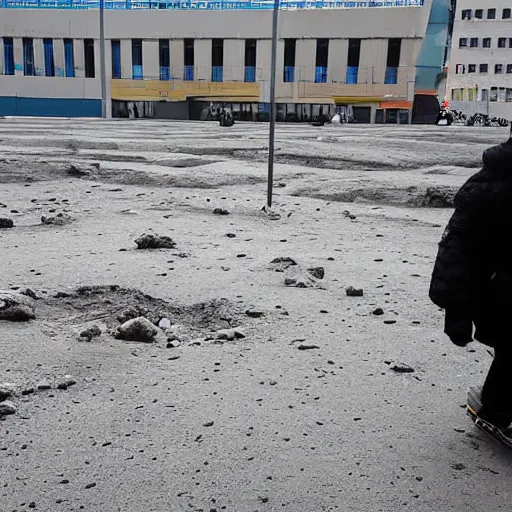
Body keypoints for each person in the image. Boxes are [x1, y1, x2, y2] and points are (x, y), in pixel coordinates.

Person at [429, 137, 512, 447]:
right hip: (498, 291)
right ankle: (496, 410)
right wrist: (457, 312)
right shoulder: (491, 186)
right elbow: (457, 251)